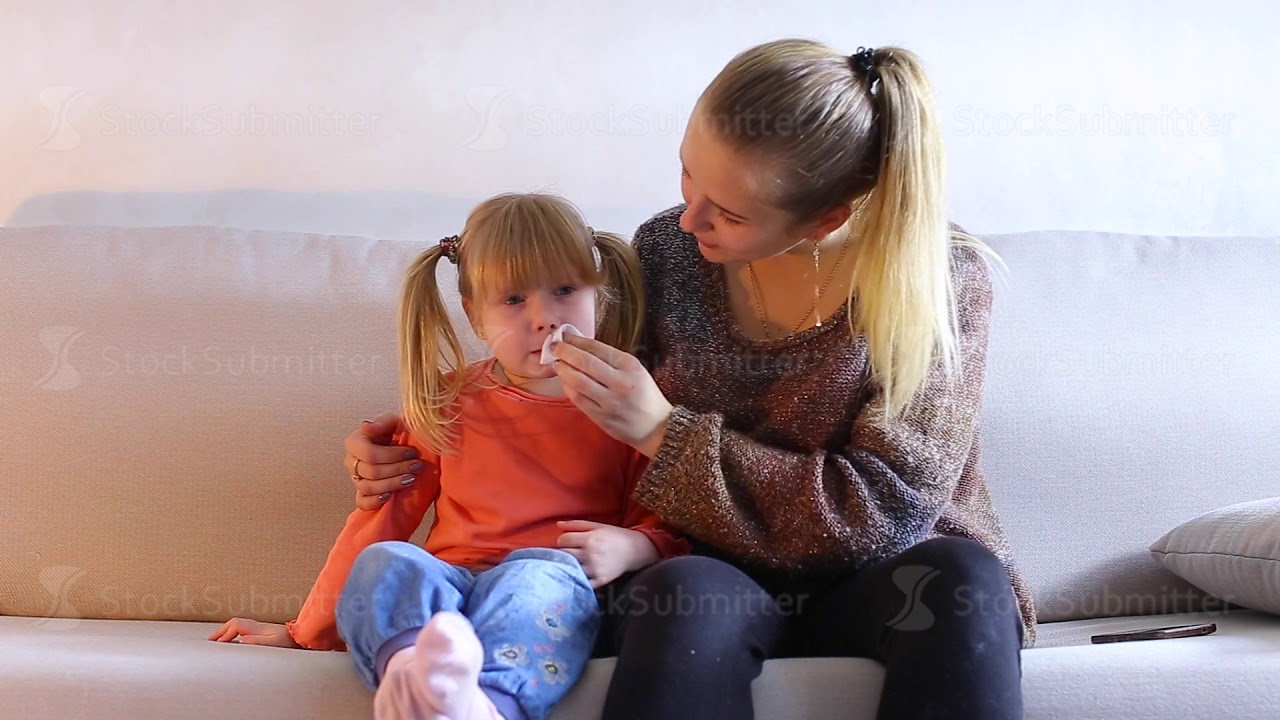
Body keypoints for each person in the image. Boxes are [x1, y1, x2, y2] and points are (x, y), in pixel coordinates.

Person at [343, 39, 1036, 720]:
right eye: (687, 175)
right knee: (682, 592)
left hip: (878, 580)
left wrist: (663, 432)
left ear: (830, 217)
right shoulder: (669, 252)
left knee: (961, 579)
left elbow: (884, 510)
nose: (688, 217)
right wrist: (411, 437)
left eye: (729, 213)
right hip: (706, 577)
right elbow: (562, 402)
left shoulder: (941, 281)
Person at [210, 192, 689, 720]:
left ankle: (488, 705)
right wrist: (306, 632)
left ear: (597, 294)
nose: (544, 318)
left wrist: (636, 547)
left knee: (534, 576)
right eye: (513, 299)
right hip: (450, 590)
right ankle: (417, 678)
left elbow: (666, 519)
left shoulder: (625, 402)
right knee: (387, 562)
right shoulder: (447, 400)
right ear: (474, 316)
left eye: (564, 290)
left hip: (550, 587)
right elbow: (382, 520)